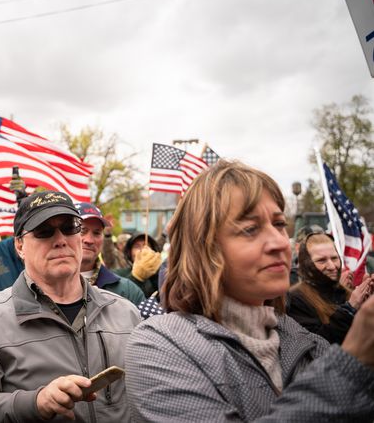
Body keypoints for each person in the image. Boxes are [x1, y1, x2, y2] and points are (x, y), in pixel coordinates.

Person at [125, 160, 374, 421]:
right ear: (203, 249)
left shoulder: (302, 338)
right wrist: (351, 366)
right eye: (250, 229)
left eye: (279, 224)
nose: (279, 242)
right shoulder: (159, 346)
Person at [0, 191, 141, 422]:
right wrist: (34, 403)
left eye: (70, 228)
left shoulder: (125, 312)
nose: (60, 240)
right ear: (19, 246)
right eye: (44, 232)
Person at [287, 232, 372, 344]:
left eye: (334, 258)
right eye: (321, 260)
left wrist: (369, 305)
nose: (332, 266)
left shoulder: (346, 292)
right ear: (306, 264)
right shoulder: (295, 299)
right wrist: (349, 309)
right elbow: (315, 346)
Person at [76, 202, 145, 305]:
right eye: (82, 231)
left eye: (97, 233)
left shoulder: (128, 291)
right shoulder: (47, 286)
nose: (89, 240)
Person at [113, 231, 163, 298]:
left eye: (147, 246)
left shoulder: (162, 275)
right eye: (137, 246)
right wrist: (136, 278)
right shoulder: (118, 275)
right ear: (129, 252)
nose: (143, 250)